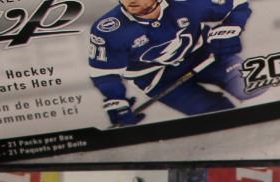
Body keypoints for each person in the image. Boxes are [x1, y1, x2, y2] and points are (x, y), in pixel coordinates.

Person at [90, 0, 251, 127]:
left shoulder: (185, 2)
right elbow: (104, 72)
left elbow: (237, 3)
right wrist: (115, 99)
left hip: (205, 55)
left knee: (250, 86)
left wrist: (231, 29)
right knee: (217, 117)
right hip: (157, 79)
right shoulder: (108, 30)